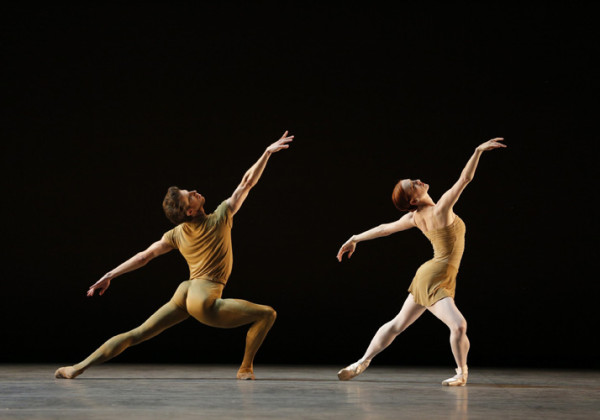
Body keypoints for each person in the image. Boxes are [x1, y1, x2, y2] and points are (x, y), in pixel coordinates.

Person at [55, 131, 294, 381]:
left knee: (137, 334)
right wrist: (267, 152)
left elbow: (144, 256)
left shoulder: (176, 233)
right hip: (204, 296)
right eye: (189, 195)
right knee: (267, 314)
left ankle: (77, 367)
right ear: (190, 210)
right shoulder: (221, 216)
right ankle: (245, 369)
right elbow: (247, 183)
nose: (194, 190)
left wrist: (109, 275)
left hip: (185, 292)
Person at [336, 137, 506, 386]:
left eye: (413, 180)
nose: (417, 181)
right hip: (435, 277)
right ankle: (461, 373)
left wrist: (355, 238)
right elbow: (465, 180)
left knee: (397, 324)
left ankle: (361, 361)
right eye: (412, 185)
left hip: (433, 274)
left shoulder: (415, 217)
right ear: (413, 200)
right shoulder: (439, 210)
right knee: (458, 325)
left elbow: (385, 228)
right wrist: (477, 151)